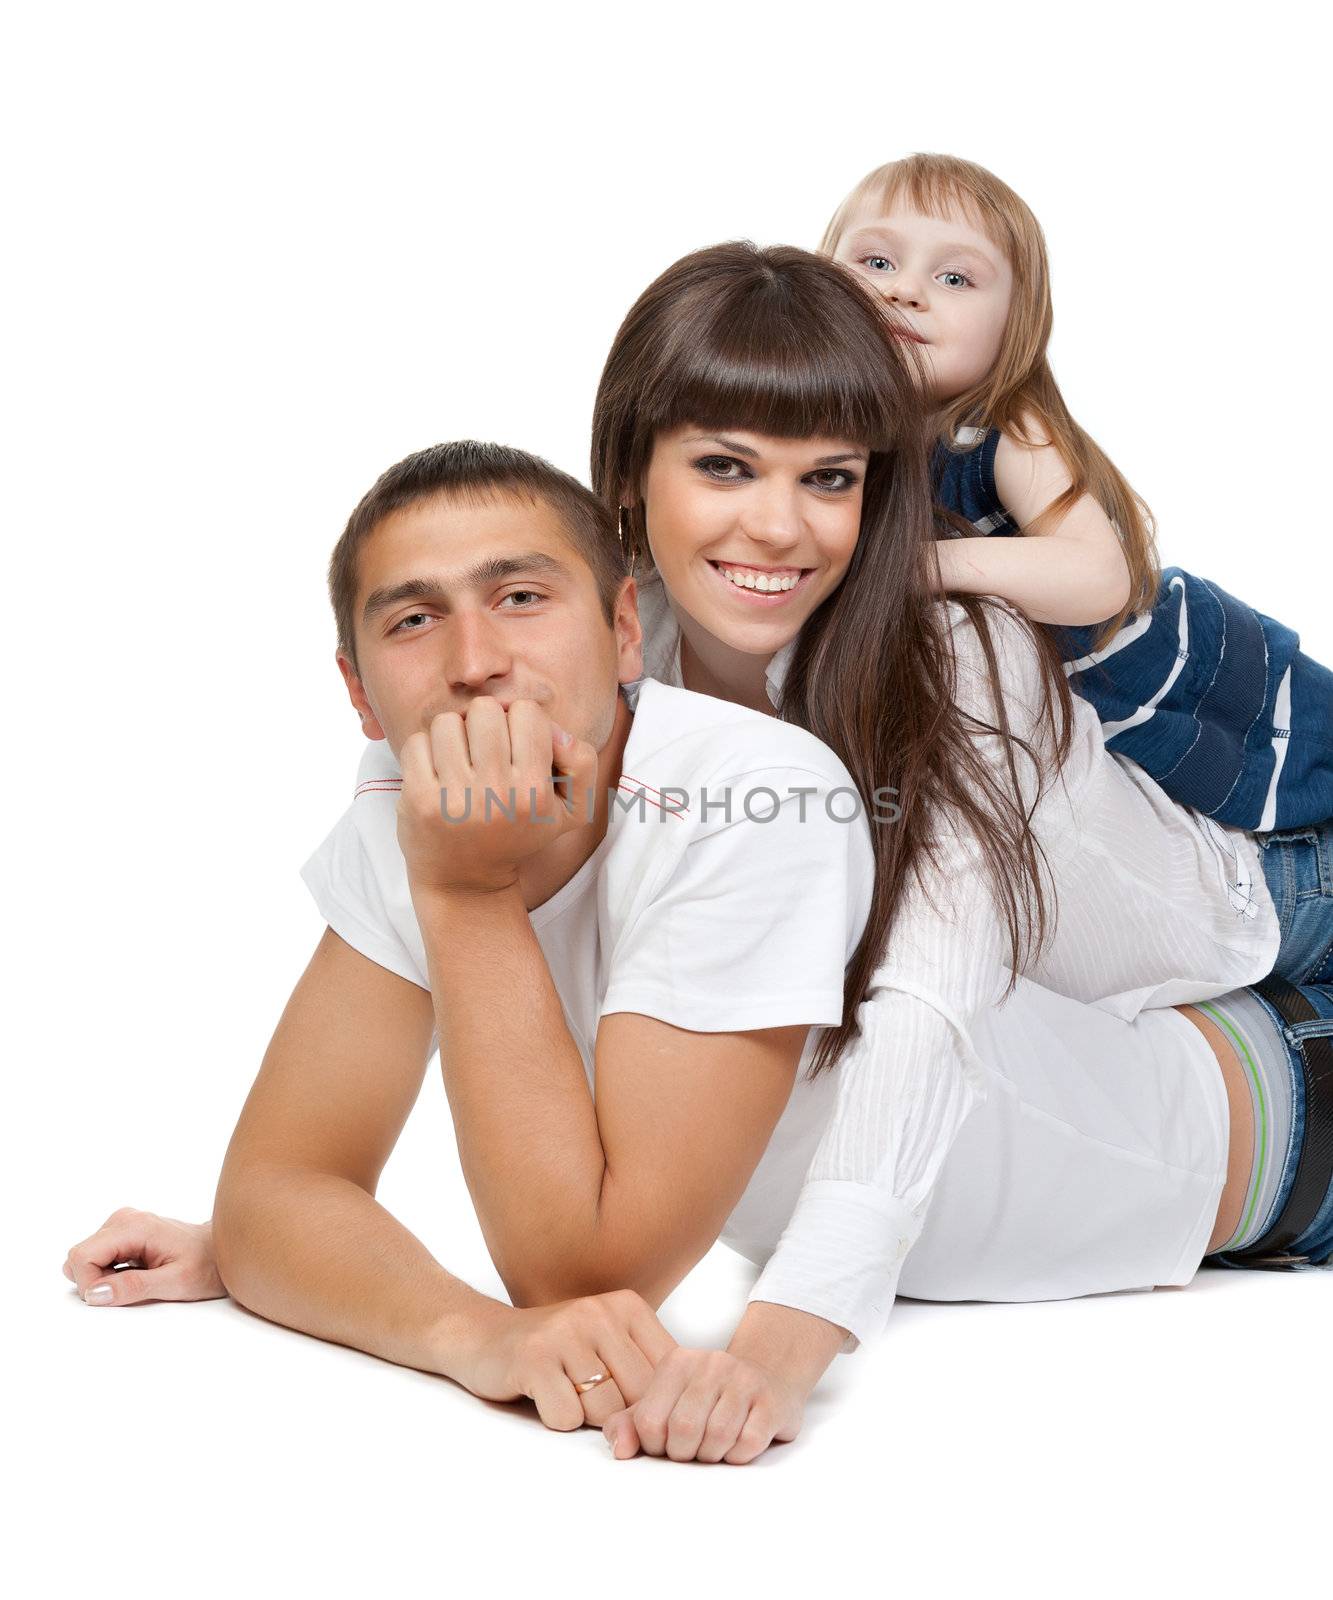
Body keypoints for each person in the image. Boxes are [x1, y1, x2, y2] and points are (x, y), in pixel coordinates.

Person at [65, 245, 1333, 1467]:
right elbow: (368, 1141)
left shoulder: (943, 664)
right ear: (629, 496)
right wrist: (282, 1243)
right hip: (1166, 1069)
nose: (778, 529)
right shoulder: (572, 666)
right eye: (725, 466)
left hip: (1246, 907)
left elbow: (926, 1007)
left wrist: (791, 1332)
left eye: (830, 480)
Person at [821, 150, 1333, 836]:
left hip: (1192, 678)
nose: (903, 290)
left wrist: (913, 568)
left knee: (1301, 771)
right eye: (875, 262)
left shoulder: (1001, 429)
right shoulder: (830, 442)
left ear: (1013, 330)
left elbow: (1098, 576)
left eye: (953, 277)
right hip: (1092, 715)